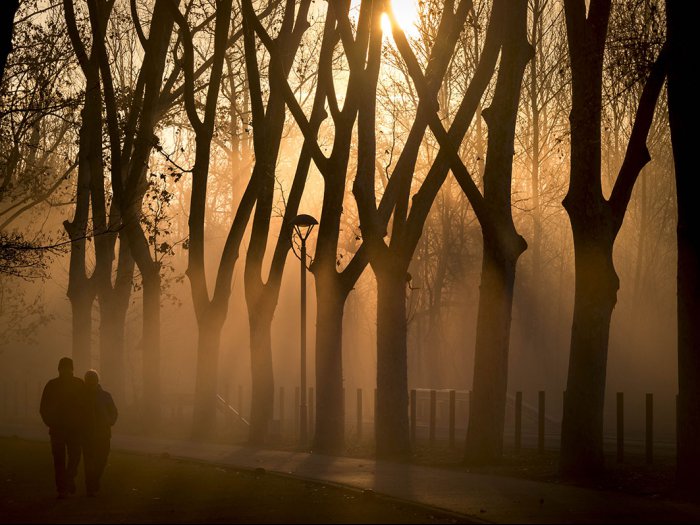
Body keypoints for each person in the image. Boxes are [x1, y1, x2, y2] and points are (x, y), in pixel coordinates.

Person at [39, 357, 86, 499]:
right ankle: (65, 483)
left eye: (66, 368)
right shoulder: (78, 384)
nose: (65, 370)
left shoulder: (53, 385)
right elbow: (44, 408)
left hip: (66, 429)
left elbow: (44, 408)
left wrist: (50, 422)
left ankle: (64, 483)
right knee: (67, 458)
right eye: (64, 368)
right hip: (65, 428)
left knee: (68, 458)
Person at [82, 369, 118, 497]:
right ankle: (90, 486)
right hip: (88, 435)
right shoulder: (82, 396)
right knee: (90, 461)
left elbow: (114, 412)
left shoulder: (105, 396)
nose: (90, 383)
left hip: (103, 433)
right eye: (88, 380)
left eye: (92, 380)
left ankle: (94, 481)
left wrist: (109, 421)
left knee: (102, 460)